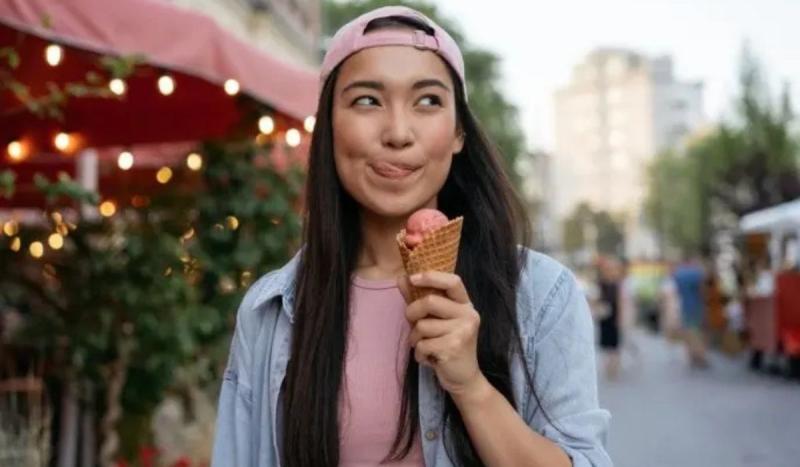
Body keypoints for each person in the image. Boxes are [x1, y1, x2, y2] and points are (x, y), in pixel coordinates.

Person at [211, 6, 611, 467]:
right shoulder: (270, 311)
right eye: (367, 100)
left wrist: (470, 386)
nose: (398, 133)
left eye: (428, 101)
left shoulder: (542, 294)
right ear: (329, 127)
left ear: (459, 132)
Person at [673, 256, 709, 368]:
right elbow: (702, 290)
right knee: (699, 331)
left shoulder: (678, 273)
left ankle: (691, 356)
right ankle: (700, 356)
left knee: (688, 331)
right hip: (697, 305)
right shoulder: (697, 273)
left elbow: (677, 291)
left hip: (685, 306)